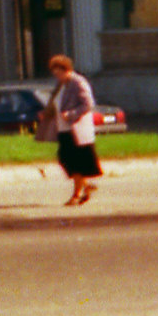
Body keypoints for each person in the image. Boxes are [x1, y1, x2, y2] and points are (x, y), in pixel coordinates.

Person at [46, 54, 104, 205]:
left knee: (75, 163)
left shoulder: (78, 82)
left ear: (67, 69)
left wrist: (71, 114)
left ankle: (76, 195)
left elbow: (88, 104)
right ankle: (86, 186)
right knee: (65, 159)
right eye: (55, 74)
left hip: (76, 130)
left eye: (59, 73)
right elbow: (58, 103)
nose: (57, 77)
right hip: (64, 130)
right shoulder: (63, 84)